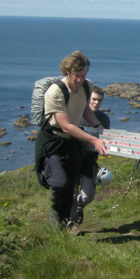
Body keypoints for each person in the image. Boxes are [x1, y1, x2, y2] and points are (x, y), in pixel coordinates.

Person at [35, 51, 107, 229]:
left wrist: (97, 125)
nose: (80, 80)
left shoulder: (86, 86)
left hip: (71, 142)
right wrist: (94, 141)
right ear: (67, 72)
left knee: (71, 185)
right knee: (60, 183)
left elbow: (85, 110)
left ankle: (64, 225)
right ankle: (54, 221)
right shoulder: (55, 92)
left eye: (84, 76)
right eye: (77, 76)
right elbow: (66, 126)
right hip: (54, 141)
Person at [68, 87, 111, 228]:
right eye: (93, 99)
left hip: (90, 160)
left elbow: (106, 138)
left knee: (88, 196)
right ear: (88, 100)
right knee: (72, 193)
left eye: (99, 100)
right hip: (73, 158)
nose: (96, 102)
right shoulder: (76, 115)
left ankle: (76, 209)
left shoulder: (104, 118)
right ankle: (71, 222)